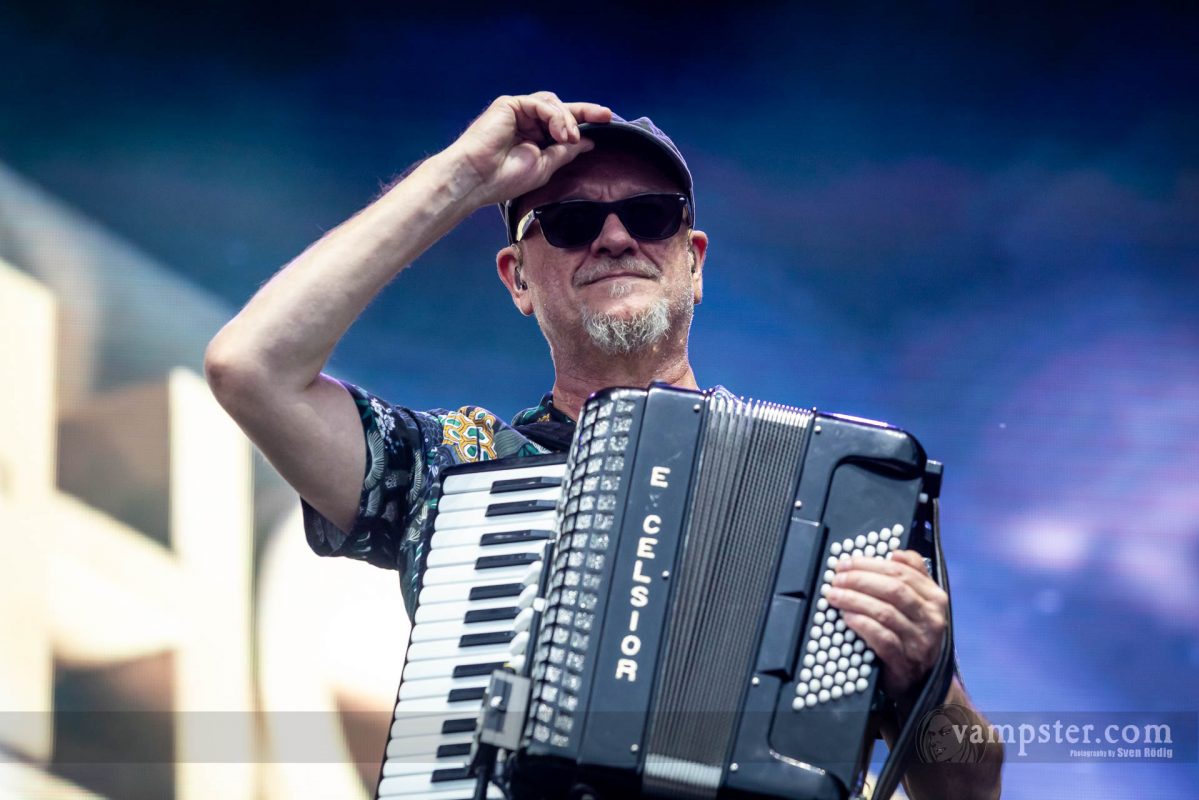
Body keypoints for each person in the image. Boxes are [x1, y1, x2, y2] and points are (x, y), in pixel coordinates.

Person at [204, 92, 1003, 798]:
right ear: (517, 279)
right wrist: (460, 178)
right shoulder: (455, 466)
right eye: (571, 222)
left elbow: (970, 787)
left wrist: (930, 685)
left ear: (694, 263)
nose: (615, 237)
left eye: (651, 216)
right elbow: (251, 368)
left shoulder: (838, 492)